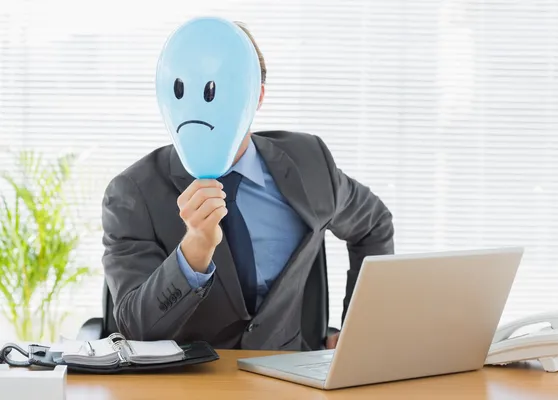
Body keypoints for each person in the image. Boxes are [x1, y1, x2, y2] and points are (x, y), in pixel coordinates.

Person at [101, 22, 394, 351]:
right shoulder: (132, 193)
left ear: (257, 96)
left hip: (291, 379)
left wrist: (358, 330)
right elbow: (136, 328)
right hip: (191, 384)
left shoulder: (309, 163)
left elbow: (374, 224)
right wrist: (194, 251)